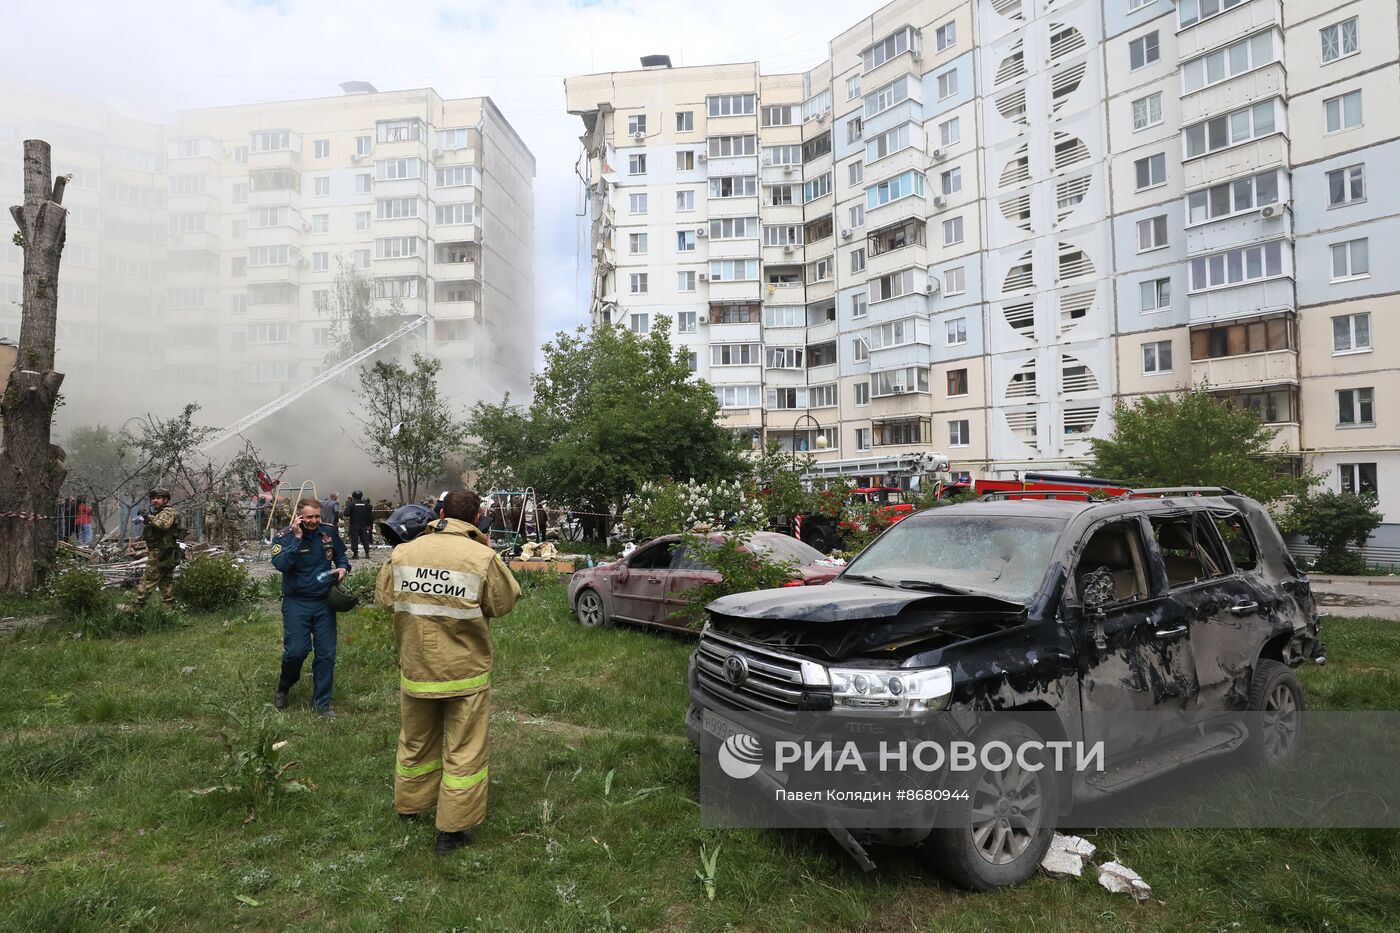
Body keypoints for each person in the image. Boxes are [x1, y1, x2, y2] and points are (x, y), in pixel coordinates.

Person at [374, 489, 520, 854]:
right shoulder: (482, 556)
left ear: (439, 514)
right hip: (464, 674)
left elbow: (385, 599)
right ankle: (451, 832)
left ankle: (411, 806)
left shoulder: (404, 552)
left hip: (417, 669)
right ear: (477, 518)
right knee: (464, 751)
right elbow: (503, 603)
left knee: (415, 741)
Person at [271, 497, 350, 717]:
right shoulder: (284, 537)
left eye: (317, 516)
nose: (314, 521)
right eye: (309, 517)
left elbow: (342, 556)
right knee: (297, 652)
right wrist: (297, 539)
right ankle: (284, 686)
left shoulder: (328, 532)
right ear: (299, 517)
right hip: (297, 602)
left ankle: (321, 704)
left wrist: (343, 569)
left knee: (326, 654)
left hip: (324, 602)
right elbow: (281, 564)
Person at [125, 488, 182, 610]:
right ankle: (169, 609)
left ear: (165, 500)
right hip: (164, 552)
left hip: (160, 553)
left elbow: (162, 525)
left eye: (158, 498)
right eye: (153, 498)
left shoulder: (168, 512)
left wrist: (147, 516)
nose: (155, 501)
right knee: (166, 581)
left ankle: (136, 607)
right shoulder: (158, 513)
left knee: (148, 579)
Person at [346, 490, 374, 559]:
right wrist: (369, 524)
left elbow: (346, 514)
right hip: (363, 524)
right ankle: (367, 554)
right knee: (365, 538)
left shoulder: (351, 504)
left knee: (354, 539)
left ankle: (355, 554)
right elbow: (369, 515)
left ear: (353, 496)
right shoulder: (366, 504)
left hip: (354, 524)